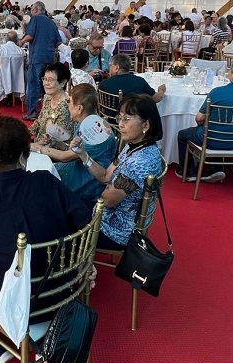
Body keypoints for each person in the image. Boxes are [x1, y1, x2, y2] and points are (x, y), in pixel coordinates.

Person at [0, 116, 93, 363]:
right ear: (24, 153)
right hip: (64, 288)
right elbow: (83, 220)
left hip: (16, 303)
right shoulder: (46, 180)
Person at [69, 94, 163, 248]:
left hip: (115, 230)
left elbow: (107, 201)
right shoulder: (135, 146)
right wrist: (82, 154)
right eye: (119, 118)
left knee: (58, 210)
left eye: (127, 119)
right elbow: (106, 176)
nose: (120, 124)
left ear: (145, 125)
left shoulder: (140, 162)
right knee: (61, 199)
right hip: (109, 215)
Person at [174, 55, 233, 183]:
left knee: (183, 134)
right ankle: (214, 168)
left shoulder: (217, 92)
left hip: (211, 139)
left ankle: (187, 171)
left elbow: (199, 119)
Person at [34, 84, 117, 208]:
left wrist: (37, 148)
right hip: (75, 170)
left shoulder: (96, 133)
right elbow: (75, 150)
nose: (67, 104)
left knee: (39, 186)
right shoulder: (88, 121)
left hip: (86, 184)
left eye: (69, 101)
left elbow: (66, 157)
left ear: (79, 108)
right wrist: (57, 143)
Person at [19, 1, 61, 120]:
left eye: (32, 9)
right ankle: (47, 110)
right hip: (49, 56)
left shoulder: (35, 19)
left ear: (36, 10)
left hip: (37, 56)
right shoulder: (52, 23)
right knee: (47, 85)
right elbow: (58, 41)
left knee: (34, 84)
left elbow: (30, 36)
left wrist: (21, 41)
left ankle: (31, 112)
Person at [29, 63, 78, 144]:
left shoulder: (65, 106)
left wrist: (33, 145)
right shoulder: (48, 98)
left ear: (62, 83)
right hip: (40, 144)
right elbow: (39, 122)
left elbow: (54, 139)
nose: (46, 83)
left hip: (53, 150)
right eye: (44, 79)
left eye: (50, 80)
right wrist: (23, 134)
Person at [99, 54, 166, 104]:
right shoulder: (140, 81)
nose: (109, 68)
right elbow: (157, 98)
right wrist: (161, 90)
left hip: (109, 119)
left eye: (110, 65)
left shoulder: (103, 84)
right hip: (134, 120)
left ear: (116, 68)